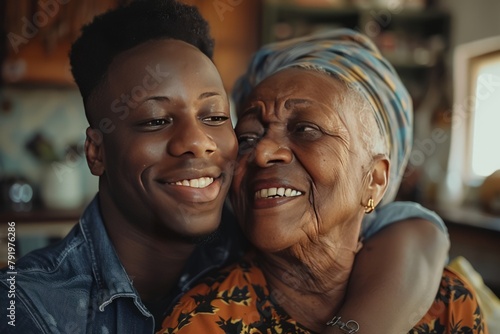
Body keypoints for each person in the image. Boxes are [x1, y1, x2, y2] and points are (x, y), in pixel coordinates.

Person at [0, 1, 448, 333]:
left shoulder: (260, 231)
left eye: (216, 117)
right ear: (95, 152)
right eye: (156, 120)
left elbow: (412, 228)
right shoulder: (29, 308)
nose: (197, 141)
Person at [159, 29, 488, 334]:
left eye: (305, 130)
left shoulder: (446, 306)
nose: (262, 152)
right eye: (246, 137)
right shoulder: (203, 321)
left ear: (374, 180)